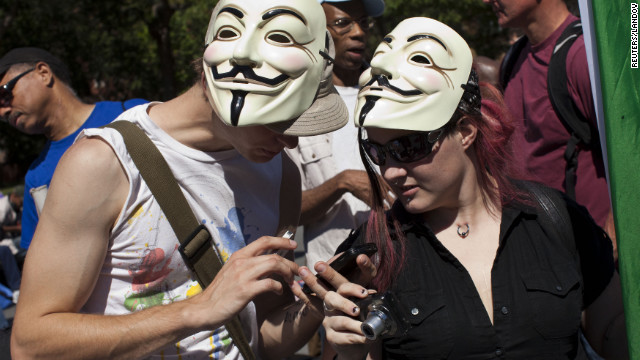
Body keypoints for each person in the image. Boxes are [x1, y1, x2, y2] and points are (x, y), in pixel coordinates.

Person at [10, 0, 377, 358]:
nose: (292, 140)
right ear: (222, 82)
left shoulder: (282, 175)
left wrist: (317, 303)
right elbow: (31, 344)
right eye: (281, 116)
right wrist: (198, 310)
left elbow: (257, 338)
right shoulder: (104, 162)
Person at [311, 17, 628, 359]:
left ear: (464, 131)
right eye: (378, 153)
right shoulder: (371, 254)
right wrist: (353, 352)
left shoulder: (555, 218)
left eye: (407, 148)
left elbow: (614, 331)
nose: (391, 172)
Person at [482, 0, 616, 250]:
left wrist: (618, 230)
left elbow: (630, 148)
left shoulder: (583, 55)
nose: (487, 1)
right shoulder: (513, 60)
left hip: (593, 258)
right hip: (541, 256)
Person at [0, 47, 147, 250]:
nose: (2, 111)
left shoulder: (133, 114)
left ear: (43, 73)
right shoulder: (36, 182)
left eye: (4, 93)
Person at [285, 0, 391, 278]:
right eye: (344, 23)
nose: (358, 32)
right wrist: (341, 184)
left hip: (400, 271)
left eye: (363, 22)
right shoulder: (296, 110)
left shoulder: (393, 94)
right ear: (316, 32)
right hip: (333, 284)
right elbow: (287, 215)